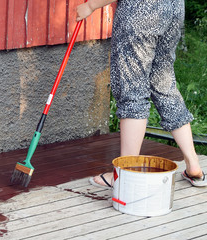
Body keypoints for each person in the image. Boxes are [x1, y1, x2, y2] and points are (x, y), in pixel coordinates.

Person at [76, 0, 207, 187]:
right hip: (173, 8)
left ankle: (125, 174)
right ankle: (194, 165)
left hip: (141, 10)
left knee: (132, 89)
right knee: (164, 84)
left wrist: (90, 6)